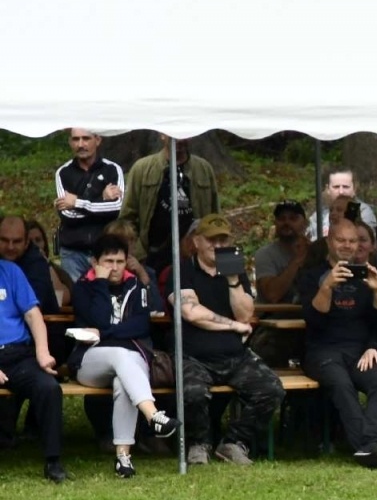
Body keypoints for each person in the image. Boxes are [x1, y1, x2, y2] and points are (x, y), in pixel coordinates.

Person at [171, 214, 282, 466]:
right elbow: (191, 313)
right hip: (194, 355)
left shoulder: (235, 272)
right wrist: (233, 325)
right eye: (211, 240)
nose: (218, 246)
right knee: (193, 393)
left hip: (235, 355)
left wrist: (233, 281)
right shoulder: (183, 269)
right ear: (197, 241)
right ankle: (199, 443)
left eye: (223, 240)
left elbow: (246, 313)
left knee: (271, 389)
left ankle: (233, 442)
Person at [68, 235, 180, 477]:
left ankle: (123, 458)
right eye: (108, 261)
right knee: (121, 354)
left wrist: (105, 332)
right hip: (91, 361)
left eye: (120, 261)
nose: (115, 267)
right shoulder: (83, 288)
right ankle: (153, 415)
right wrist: (100, 283)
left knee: (123, 381)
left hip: (132, 358)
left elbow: (140, 326)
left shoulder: (136, 286)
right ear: (95, 262)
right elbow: (96, 318)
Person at [297, 217, 377, 467]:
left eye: (353, 241)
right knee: (341, 385)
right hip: (322, 351)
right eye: (341, 240)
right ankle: (368, 447)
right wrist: (327, 286)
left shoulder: (367, 274)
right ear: (330, 241)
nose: (347, 245)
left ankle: (374, 445)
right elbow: (313, 319)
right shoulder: (312, 275)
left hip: (360, 351)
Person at [0, 234, 66, 481]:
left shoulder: (10, 271)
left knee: (49, 387)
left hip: (17, 355)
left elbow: (33, 315)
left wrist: (42, 352)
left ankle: (53, 461)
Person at [119, 138, 219, 273]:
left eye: (183, 133)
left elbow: (215, 219)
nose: (178, 139)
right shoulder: (142, 168)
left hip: (194, 259)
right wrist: (137, 254)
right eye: (172, 133)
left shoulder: (203, 169)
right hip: (151, 258)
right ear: (161, 135)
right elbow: (127, 218)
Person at [52, 130, 124, 283]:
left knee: (105, 299)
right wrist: (102, 199)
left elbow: (116, 209)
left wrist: (77, 202)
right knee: (76, 302)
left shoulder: (112, 169)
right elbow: (67, 215)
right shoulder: (63, 173)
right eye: (76, 139)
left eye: (86, 139)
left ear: (97, 140)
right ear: (70, 142)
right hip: (73, 252)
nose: (80, 144)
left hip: (106, 253)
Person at [0, 216, 63, 317]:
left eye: (17, 241)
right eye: (4, 240)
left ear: (26, 243)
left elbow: (32, 306)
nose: (10, 247)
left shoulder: (37, 264)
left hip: (43, 326)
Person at [254, 201, 311, 304]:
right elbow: (272, 295)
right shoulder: (265, 254)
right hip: (273, 317)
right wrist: (297, 260)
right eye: (281, 219)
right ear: (275, 223)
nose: (287, 223)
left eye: (293, 218)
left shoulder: (317, 252)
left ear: (305, 223)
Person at [308, 167, 377, 238]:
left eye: (345, 187)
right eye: (336, 187)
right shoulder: (318, 216)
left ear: (354, 189)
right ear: (328, 189)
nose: (341, 192)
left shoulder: (364, 212)